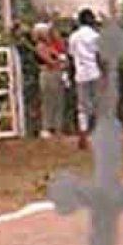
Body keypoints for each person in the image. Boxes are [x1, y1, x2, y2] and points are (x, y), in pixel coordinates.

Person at [67, 8, 101, 149]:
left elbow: (71, 54)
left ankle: (83, 132)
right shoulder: (95, 36)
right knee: (96, 104)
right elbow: (100, 55)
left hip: (80, 74)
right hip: (94, 72)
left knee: (83, 106)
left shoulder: (73, 37)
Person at [33, 20, 67, 138]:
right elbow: (50, 61)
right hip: (48, 73)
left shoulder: (51, 45)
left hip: (57, 73)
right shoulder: (40, 47)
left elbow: (61, 51)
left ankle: (58, 127)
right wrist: (59, 60)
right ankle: (47, 127)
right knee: (48, 100)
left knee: (58, 100)